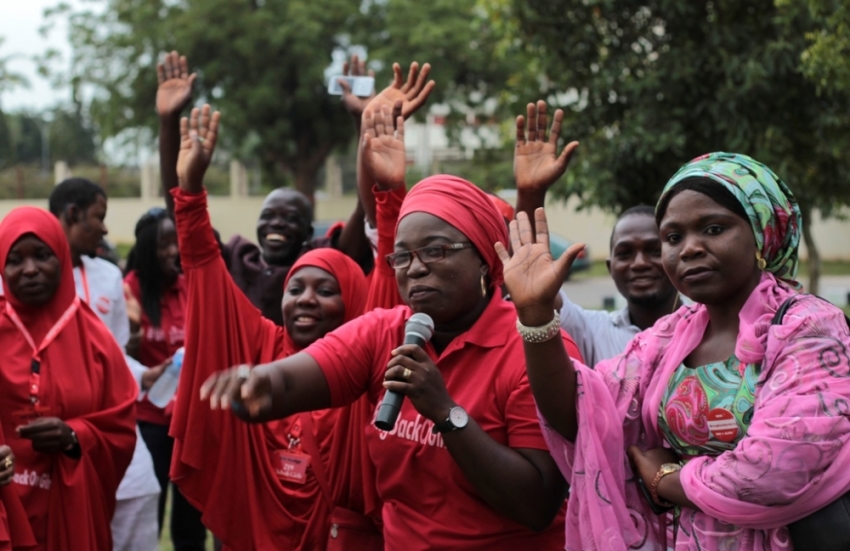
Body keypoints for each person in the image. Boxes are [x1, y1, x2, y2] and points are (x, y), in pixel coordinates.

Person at [201, 104, 584, 550]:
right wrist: (258, 383)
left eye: (435, 252)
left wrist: (445, 412)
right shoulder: (384, 332)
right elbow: (293, 378)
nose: (414, 270)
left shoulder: (532, 349)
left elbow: (536, 503)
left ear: (483, 258)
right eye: (402, 257)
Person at [498, 152, 850, 550]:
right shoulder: (670, 335)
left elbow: (779, 467)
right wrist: (536, 316)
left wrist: (665, 479)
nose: (689, 249)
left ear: (762, 233)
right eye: (673, 237)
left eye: (713, 229)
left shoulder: (809, 326)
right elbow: (584, 416)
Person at [167, 103, 378, 550]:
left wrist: (377, 165)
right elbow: (203, 263)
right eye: (295, 288)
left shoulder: (368, 357)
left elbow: (390, 257)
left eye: (325, 290)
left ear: (354, 301)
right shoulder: (257, 341)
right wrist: (189, 187)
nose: (305, 299)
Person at [156, 52, 374, 326]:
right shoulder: (233, 260)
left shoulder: (322, 263)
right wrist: (168, 120)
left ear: (308, 233)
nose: (277, 223)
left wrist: (363, 119)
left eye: (291, 218)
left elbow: (366, 207)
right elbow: (182, 214)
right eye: (269, 215)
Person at [0, 207, 137, 550]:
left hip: (71, 508)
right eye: (15, 260)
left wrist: (75, 434)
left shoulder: (95, 339)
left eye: (42, 255)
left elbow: (121, 428)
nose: (30, 270)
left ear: (62, 256)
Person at [512, 101, 679, 365]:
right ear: (611, 267)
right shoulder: (593, 330)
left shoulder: (711, 323)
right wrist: (531, 193)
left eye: (653, 250)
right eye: (625, 253)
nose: (640, 263)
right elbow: (533, 281)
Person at [47, 177, 161, 551]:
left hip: (113, 424)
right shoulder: (24, 278)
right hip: (56, 435)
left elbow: (116, 356)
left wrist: (145, 375)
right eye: (100, 217)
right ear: (73, 213)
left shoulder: (108, 275)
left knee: (141, 492)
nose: (106, 228)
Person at [124, 208, 207, 550]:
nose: (173, 251)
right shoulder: (127, 292)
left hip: (190, 420)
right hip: (148, 423)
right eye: (164, 244)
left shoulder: (189, 287)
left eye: (176, 243)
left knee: (191, 516)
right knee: (149, 510)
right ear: (145, 247)